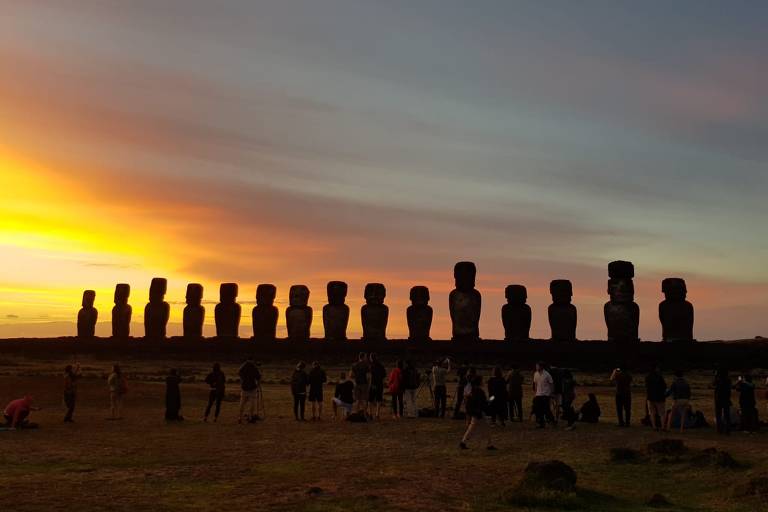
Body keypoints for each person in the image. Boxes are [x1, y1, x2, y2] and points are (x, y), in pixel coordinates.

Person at [460, 375, 496, 450]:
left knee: (473, 427)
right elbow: (481, 403)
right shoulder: (479, 391)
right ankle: (489, 444)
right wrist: (489, 402)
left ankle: (463, 442)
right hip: (479, 412)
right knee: (485, 428)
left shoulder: (473, 390)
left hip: (475, 411)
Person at [238, 357, 261, 423]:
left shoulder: (243, 367)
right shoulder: (254, 367)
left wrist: (242, 382)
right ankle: (250, 417)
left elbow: (239, 374)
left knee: (242, 403)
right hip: (252, 388)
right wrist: (257, 385)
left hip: (244, 387)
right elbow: (258, 377)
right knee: (252, 403)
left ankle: (240, 417)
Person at [532, 362, 555, 428]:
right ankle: (541, 423)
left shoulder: (547, 374)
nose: (536, 367)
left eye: (537, 366)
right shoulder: (535, 374)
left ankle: (552, 420)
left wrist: (551, 393)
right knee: (539, 409)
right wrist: (536, 393)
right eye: (536, 366)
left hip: (545, 394)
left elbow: (551, 384)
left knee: (546, 409)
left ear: (541, 367)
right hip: (538, 394)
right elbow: (536, 383)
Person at [645, 366, 667, 431]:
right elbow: (664, 387)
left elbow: (647, 387)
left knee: (652, 413)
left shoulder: (648, 377)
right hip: (659, 398)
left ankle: (654, 426)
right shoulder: (660, 377)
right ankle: (663, 427)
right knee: (662, 413)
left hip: (650, 397)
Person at [713, 366, 732, 435]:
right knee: (727, 415)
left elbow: (713, 384)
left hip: (718, 399)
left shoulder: (718, 379)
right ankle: (727, 430)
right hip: (726, 398)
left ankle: (719, 429)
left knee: (718, 415)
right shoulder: (728, 380)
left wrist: (715, 376)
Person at [368, 353, 386, 420]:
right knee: (379, 399)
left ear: (371, 358)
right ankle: (377, 414)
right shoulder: (381, 365)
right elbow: (384, 375)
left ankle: (370, 414)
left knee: (370, 400)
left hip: (373, 384)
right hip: (379, 384)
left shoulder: (371, 366)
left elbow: (370, 376)